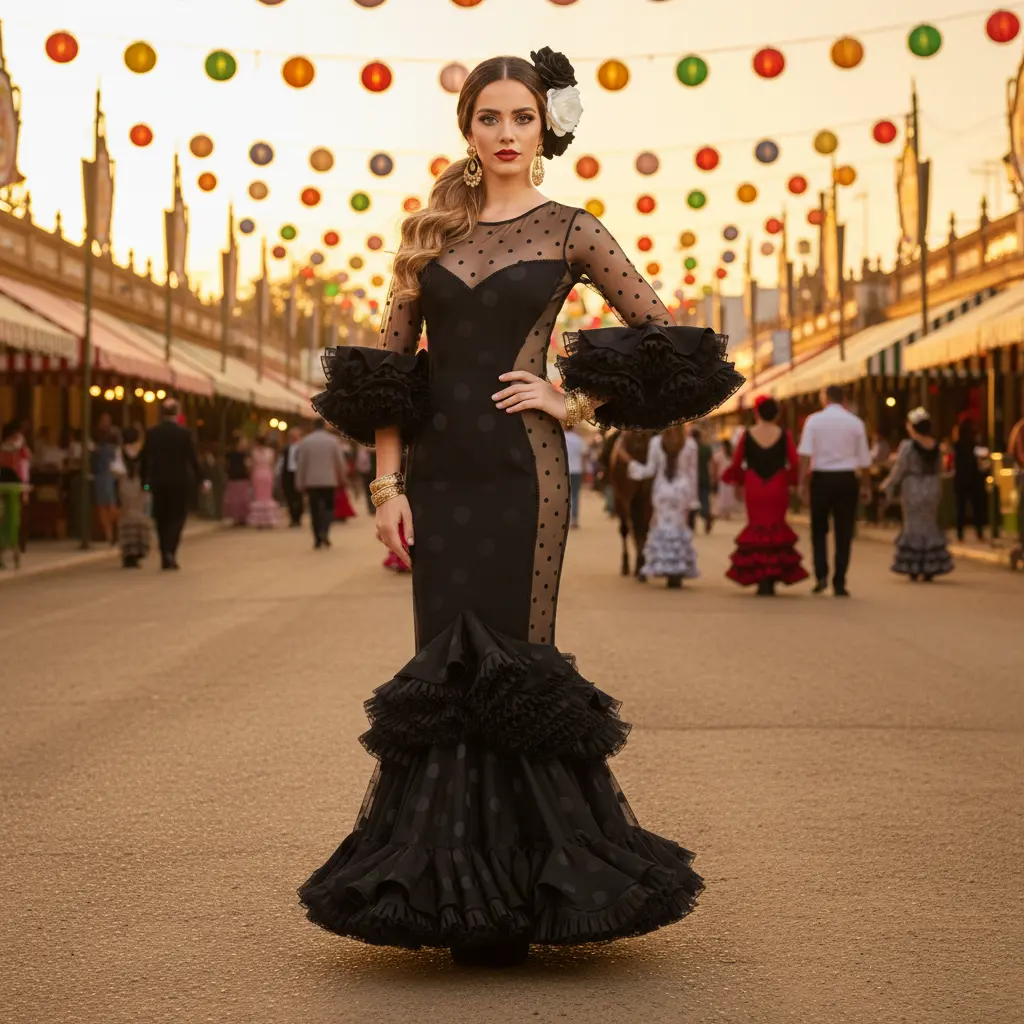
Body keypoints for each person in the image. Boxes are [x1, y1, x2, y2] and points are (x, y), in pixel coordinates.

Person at [299, 49, 741, 966]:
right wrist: (386, 487)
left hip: (523, 472)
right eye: (490, 118)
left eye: (523, 119)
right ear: (467, 127)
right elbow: (393, 378)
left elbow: (666, 339)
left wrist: (570, 402)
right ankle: (450, 890)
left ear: (547, 129)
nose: (506, 134)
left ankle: (531, 887)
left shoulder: (574, 230)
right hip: (439, 476)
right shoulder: (426, 236)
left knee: (514, 666)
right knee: (442, 667)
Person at [724, 396, 808, 596]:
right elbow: (795, 462)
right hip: (777, 484)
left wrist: (737, 483)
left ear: (756, 413)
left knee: (756, 526)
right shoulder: (784, 434)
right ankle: (772, 575)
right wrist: (795, 483)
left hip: (754, 484)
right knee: (776, 526)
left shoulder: (747, 434)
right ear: (777, 415)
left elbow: (737, 462)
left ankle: (759, 574)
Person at [797, 385, 870, 597]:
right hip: (847, 478)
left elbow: (805, 455)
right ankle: (840, 580)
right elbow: (864, 458)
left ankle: (821, 575)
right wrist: (866, 485)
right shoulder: (855, 423)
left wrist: (802, 483)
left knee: (819, 529)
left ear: (825, 398)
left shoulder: (814, 421)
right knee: (844, 531)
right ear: (844, 399)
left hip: (821, 478)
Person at [881, 408, 953, 582]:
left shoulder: (907, 446)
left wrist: (887, 485)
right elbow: (940, 469)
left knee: (913, 525)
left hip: (912, 487)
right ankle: (930, 565)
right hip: (932, 487)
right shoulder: (937, 446)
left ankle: (913, 564)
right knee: (929, 524)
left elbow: (900, 469)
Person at [627, 424, 700, 587]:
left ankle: (665, 565)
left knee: (662, 528)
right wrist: (694, 500)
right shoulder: (690, 445)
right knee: (679, 529)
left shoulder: (655, 443)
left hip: (661, 491)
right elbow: (693, 474)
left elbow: (649, 471)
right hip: (682, 491)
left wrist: (631, 464)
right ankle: (677, 569)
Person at [140, 397, 203, 570]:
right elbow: (193, 459)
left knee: (161, 518)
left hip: (157, 483)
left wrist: (145, 486)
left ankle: (164, 551)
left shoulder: (153, 433)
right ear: (177, 413)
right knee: (177, 518)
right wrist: (202, 480)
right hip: (179, 483)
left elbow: (144, 460)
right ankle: (171, 551)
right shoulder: (184, 434)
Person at [295, 418, 349, 549]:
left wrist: (299, 482)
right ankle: (325, 530)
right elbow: (340, 463)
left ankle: (317, 536)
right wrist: (343, 478)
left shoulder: (306, 441)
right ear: (324, 426)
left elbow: (301, 464)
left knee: (314, 509)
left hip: (312, 481)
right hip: (329, 480)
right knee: (329, 507)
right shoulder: (332, 441)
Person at [112, 426, 150, 569]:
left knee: (126, 519)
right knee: (140, 519)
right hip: (139, 487)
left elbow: (116, 471)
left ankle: (127, 553)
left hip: (124, 485)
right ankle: (138, 550)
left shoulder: (119, 452)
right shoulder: (142, 452)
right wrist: (146, 489)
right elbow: (146, 473)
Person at [952, 420, 987, 542]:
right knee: (976, 507)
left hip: (961, 480)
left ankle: (960, 534)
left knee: (960, 508)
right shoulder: (973, 446)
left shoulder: (957, 446)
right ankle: (979, 533)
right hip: (974, 480)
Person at [92, 413, 119, 545]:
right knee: (105, 504)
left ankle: (111, 531)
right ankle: (110, 532)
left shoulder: (104, 448)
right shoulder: (102, 447)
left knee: (107, 504)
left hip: (106, 474)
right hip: (104, 474)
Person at [246, 435, 278, 529]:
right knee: (267, 497)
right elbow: (272, 465)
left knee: (259, 497)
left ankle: (260, 520)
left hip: (258, 474)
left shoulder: (254, 452)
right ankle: (268, 519)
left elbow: (251, 466)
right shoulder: (270, 452)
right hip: (267, 474)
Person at [686, 427, 714, 534]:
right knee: (704, 500)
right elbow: (711, 465)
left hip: (691, 479)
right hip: (704, 477)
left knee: (691, 501)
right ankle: (707, 516)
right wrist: (712, 477)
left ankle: (691, 526)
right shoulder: (706, 448)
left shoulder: (688, 448)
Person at [223, 432, 251, 526]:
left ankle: (243, 517)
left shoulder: (246, 454)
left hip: (243, 477)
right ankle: (235, 517)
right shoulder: (230, 453)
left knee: (244, 499)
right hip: (233, 477)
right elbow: (226, 464)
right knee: (234, 499)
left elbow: (248, 465)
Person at [280, 427, 305, 527]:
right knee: (289, 496)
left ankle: (298, 517)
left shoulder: (302, 446)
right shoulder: (286, 448)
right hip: (288, 473)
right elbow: (281, 462)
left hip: (298, 473)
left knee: (298, 496)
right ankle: (292, 517)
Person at [564, 423, 586, 528]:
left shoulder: (561, 437)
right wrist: (584, 470)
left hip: (564, 470)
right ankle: (574, 520)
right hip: (577, 469)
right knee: (575, 495)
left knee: (564, 496)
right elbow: (583, 456)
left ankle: (564, 519)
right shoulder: (579, 440)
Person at [712, 437, 738, 520]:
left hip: (723, 477)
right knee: (729, 494)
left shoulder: (721, 453)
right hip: (730, 477)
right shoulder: (732, 454)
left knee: (723, 494)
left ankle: (722, 511)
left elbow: (714, 460)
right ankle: (727, 513)